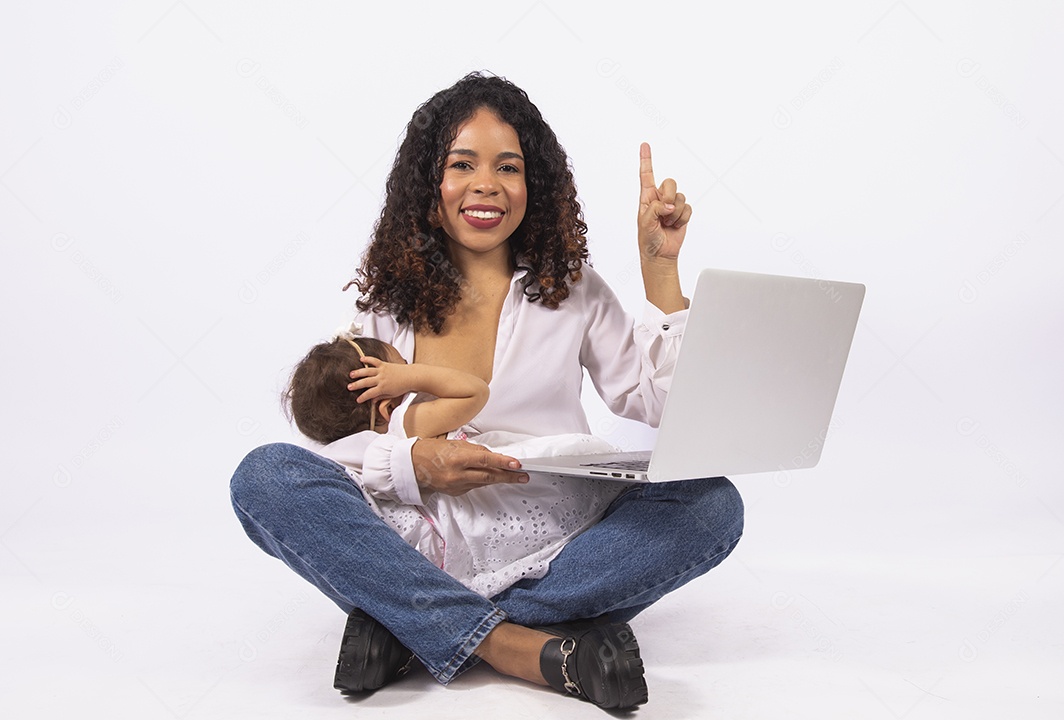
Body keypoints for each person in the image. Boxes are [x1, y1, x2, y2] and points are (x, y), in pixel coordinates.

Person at [230, 72, 744, 710]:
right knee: (265, 476)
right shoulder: (387, 303)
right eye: (461, 164)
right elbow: (345, 435)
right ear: (429, 184)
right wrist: (410, 461)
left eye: (509, 166)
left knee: (712, 506)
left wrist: (661, 274)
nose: (486, 185)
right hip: (420, 536)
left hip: (555, 542)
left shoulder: (572, 288)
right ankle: (519, 648)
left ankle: (410, 626)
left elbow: (659, 407)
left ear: (536, 184)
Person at [282, 327, 625, 598]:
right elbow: (474, 392)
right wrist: (413, 377)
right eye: (402, 367)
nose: (410, 374)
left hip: (432, 554)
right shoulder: (404, 422)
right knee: (563, 470)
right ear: (386, 405)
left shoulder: (342, 459)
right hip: (480, 515)